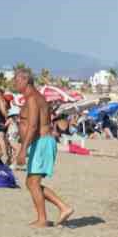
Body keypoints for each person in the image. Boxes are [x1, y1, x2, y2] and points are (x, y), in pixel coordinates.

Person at [13, 68, 73, 227]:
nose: (14, 83)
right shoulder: (35, 98)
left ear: (25, 80)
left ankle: (42, 219)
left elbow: (33, 126)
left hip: (42, 142)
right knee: (31, 183)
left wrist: (22, 150)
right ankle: (63, 207)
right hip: (39, 143)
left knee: (32, 183)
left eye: (17, 80)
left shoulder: (33, 99)